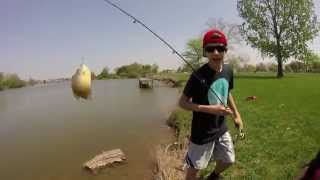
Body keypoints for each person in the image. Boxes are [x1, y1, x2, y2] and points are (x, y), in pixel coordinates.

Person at [179, 29, 244, 180]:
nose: (216, 52)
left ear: (225, 51)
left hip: (221, 128)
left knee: (229, 160)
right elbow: (182, 103)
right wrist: (209, 109)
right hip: (201, 134)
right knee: (194, 170)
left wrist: (237, 115)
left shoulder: (228, 70)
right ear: (205, 52)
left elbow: (227, 92)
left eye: (220, 48)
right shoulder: (197, 76)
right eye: (210, 48)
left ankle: (213, 176)